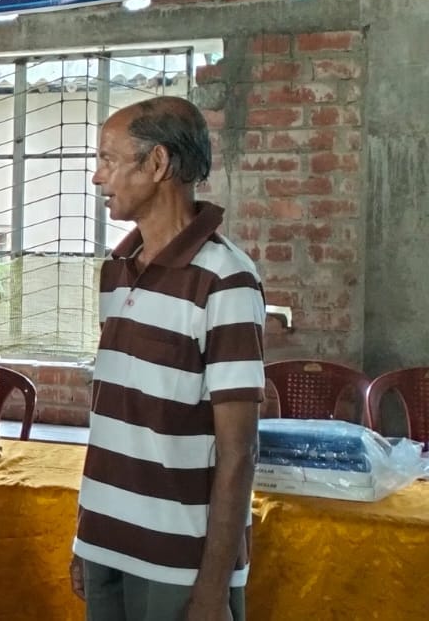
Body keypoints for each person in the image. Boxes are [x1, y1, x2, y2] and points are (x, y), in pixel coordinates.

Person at [69, 96, 263, 621]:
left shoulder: (226, 279)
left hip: (179, 562)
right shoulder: (117, 270)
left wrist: (212, 590)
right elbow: (115, 419)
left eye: (109, 159)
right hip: (106, 542)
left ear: (157, 163)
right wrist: (86, 535)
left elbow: (239, 451)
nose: (97, 176)